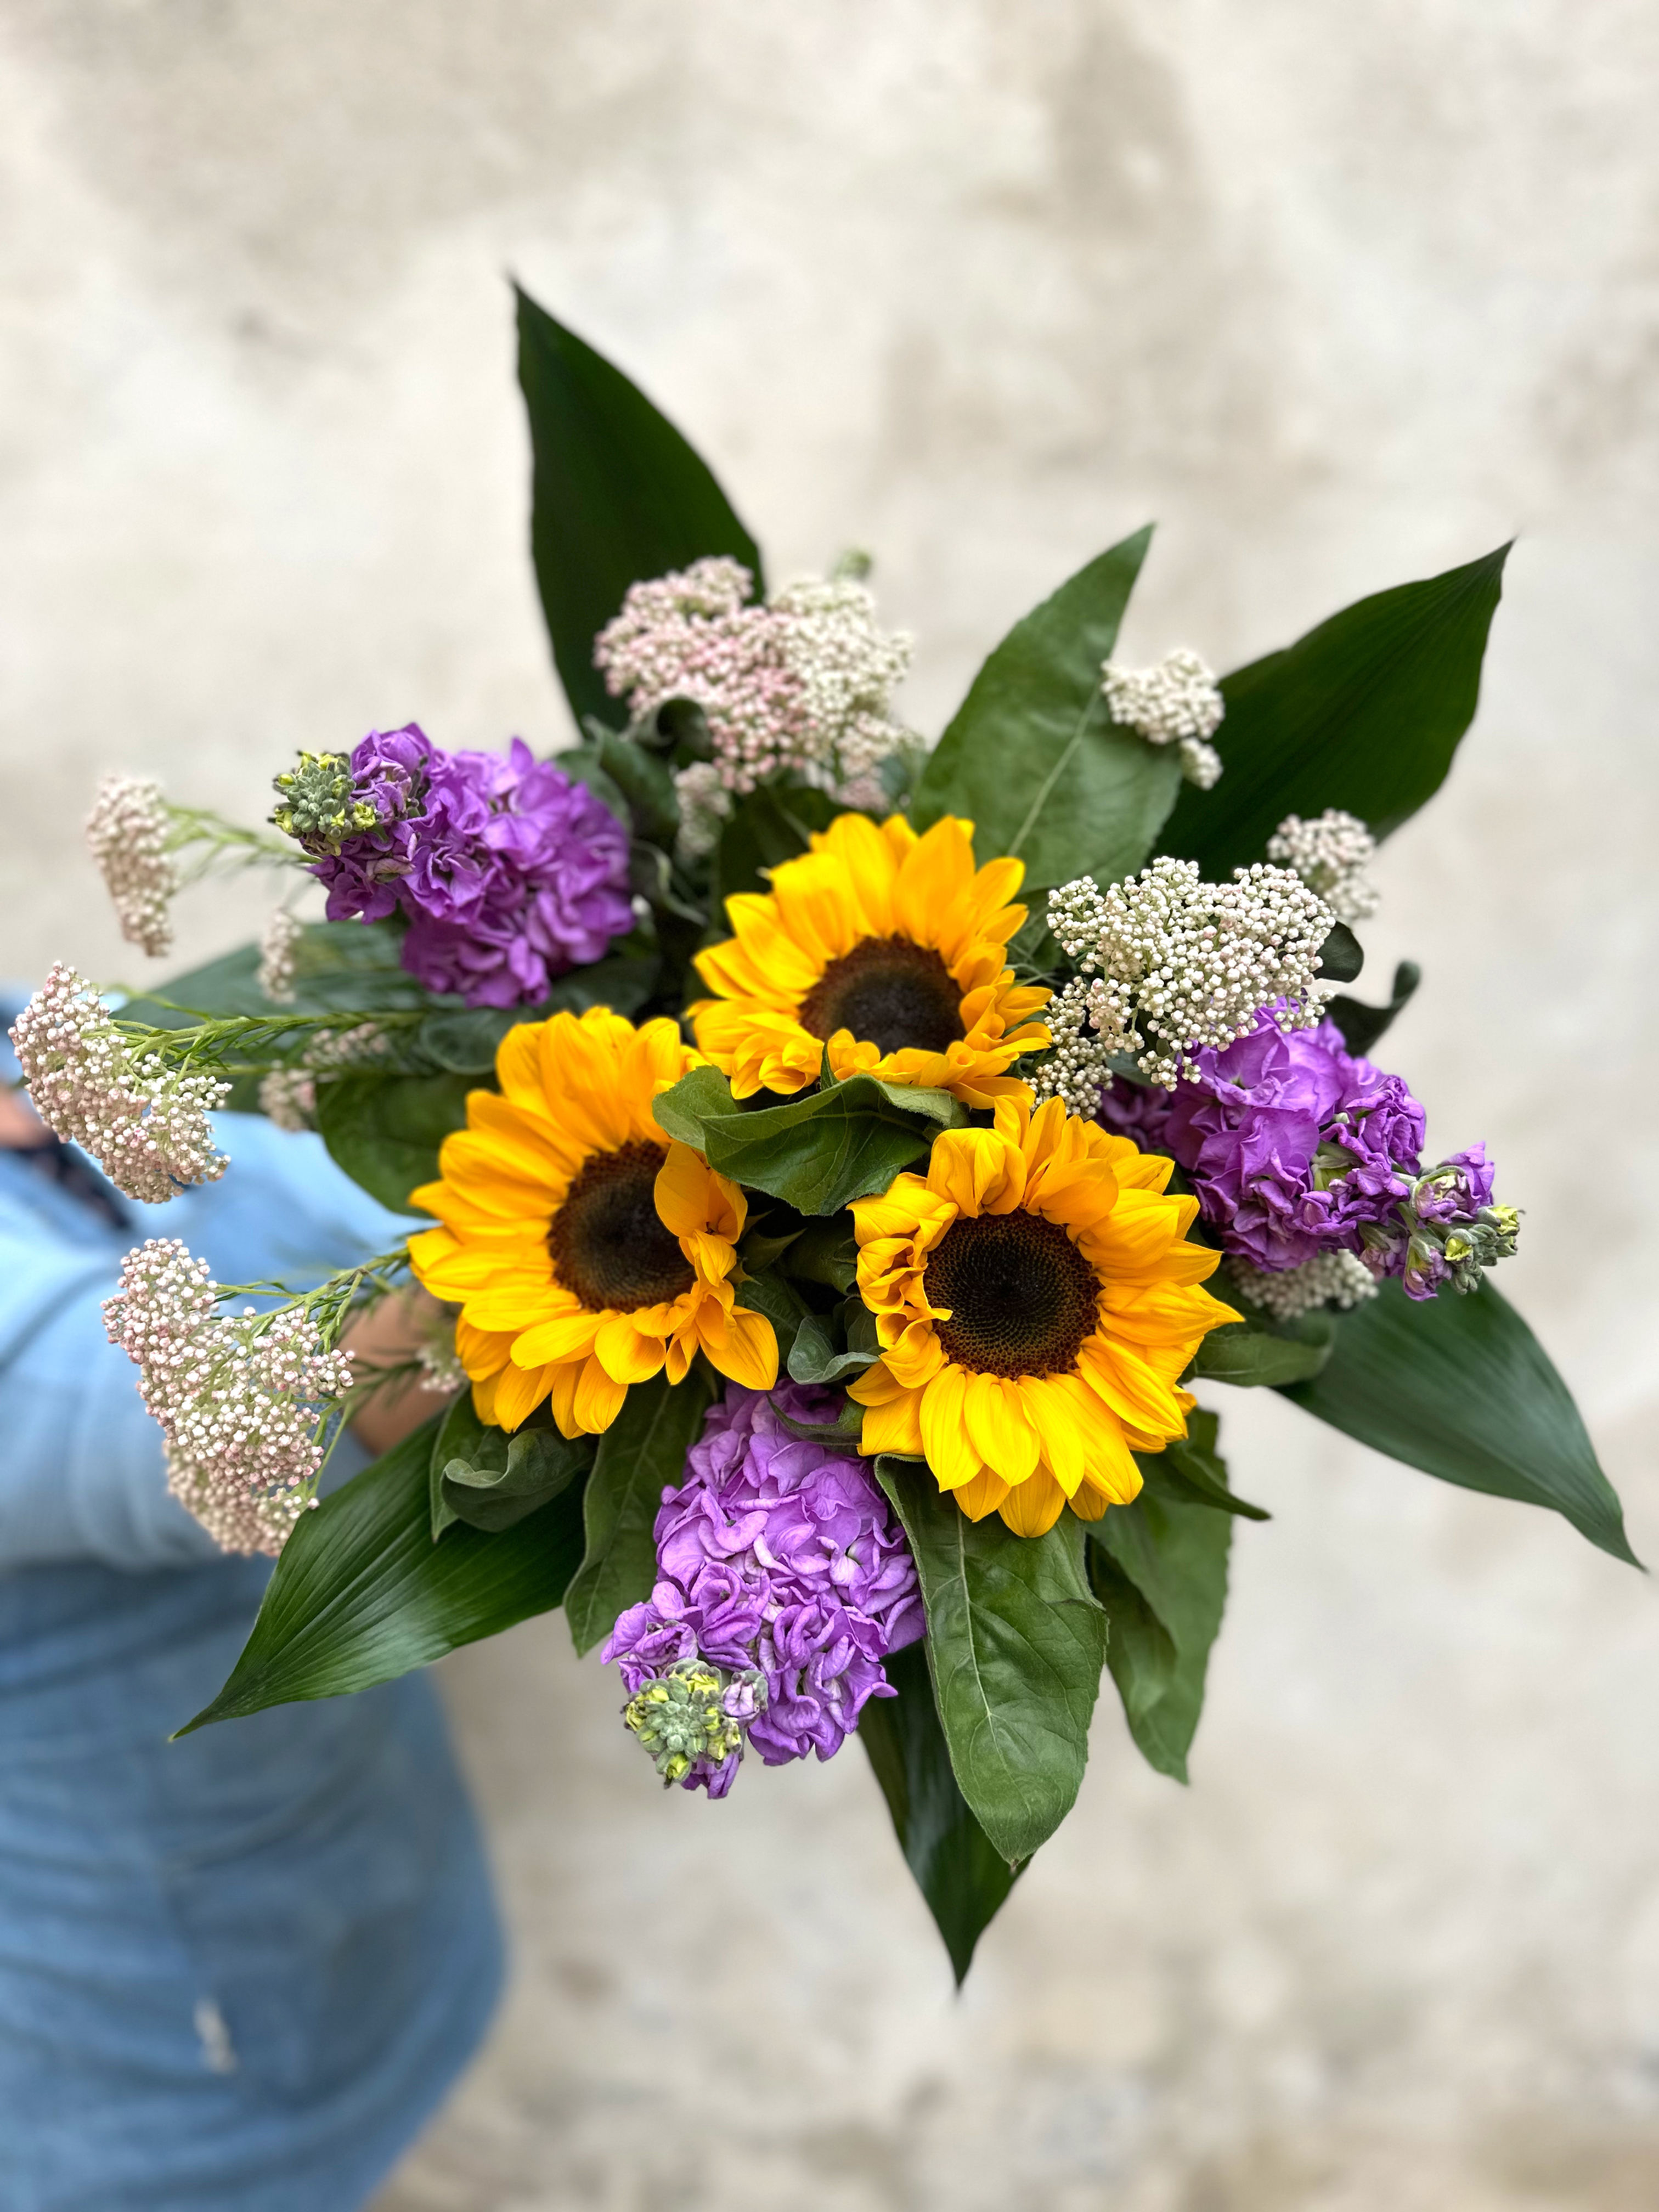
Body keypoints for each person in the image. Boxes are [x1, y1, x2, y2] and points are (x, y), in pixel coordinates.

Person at [0, 1003, 502, 2212]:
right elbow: (250, 1418)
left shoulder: (34, 1032)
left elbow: (333, 1185)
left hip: (368, 1857)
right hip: (162, 2061)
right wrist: (602, 1207)